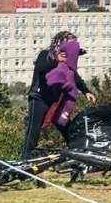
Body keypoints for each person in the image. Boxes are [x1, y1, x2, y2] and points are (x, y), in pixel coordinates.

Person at [20, 31, 96, 160]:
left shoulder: (67, 62)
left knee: (67, 127)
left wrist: (86, 91)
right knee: (33, 130)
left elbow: (74, 76)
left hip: (56, 101)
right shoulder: (46, 55)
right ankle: (25, 160)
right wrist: (56, 60)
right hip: (39, 99)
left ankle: (78, 156)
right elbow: (41, 68)